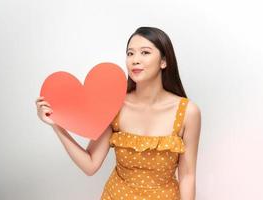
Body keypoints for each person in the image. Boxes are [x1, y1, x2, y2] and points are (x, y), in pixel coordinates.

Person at [35, 26, 201, 200]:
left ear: (164, 61)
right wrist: (57, 126)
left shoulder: (188, 112)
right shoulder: (116, 105)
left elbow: (187, 176)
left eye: (145, 52)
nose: (135, 60)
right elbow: (90, 164)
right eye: (130, 53)